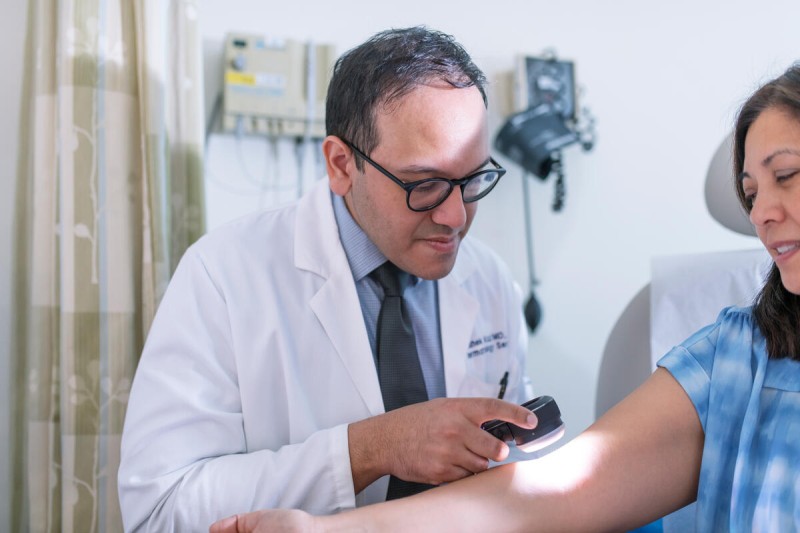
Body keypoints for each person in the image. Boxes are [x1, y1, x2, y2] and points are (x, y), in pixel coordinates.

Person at [208, 63, 800, 533]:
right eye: (750, 191)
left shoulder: (486, 279)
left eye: (788, 174)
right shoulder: (736, 359)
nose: (762, 214)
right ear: (342, 164)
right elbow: (547, 492)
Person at [118, 26, 536, 532]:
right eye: (424, 184)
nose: (455, 216)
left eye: (473, 180)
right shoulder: (224, 276)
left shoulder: (488, 278)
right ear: (342, 164)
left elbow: (511, 466)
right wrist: (370, 449)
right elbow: (160, 508)